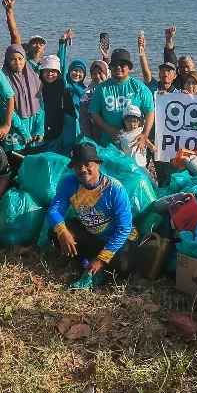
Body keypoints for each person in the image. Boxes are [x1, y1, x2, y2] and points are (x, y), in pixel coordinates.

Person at [47, 142, 139, 279]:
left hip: (118, 239)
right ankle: (87, 262)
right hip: (93, 235)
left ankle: (96, 262)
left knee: (123, 266)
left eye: (88, 164)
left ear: (98, 164)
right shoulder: (69, 183)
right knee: (55, 233)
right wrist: (62, 231)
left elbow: (124, 229)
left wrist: (102, 259)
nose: (83, 169)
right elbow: (54, 210)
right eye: (78, 166)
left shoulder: (114, 189)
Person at [89, 48, 155, 148]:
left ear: (129, 67)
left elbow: (150, 111)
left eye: (122, 65)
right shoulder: (101, 88)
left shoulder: (140, 87)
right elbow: (94, 113)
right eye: (115, 65)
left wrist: (144, 134)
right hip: (109, 142)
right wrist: (108, 129)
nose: (118, 67)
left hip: (134, 143)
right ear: (110, 68)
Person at [0, 45, 44, 154]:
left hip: (33, 131)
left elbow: (40, 105)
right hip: (15, 133)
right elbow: (7, 109)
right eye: (13, 60)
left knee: (33, 166)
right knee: (16, 165)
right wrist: (24, 132)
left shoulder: (33, 77)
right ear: (7, 61)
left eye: (20, 59)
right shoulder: (3, 79)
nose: (18, 63)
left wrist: (40, 130)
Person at [39, 54, 79, 154]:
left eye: (53, 71)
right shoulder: (37, 88)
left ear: (58, 73)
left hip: (58, 135)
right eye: (46, 70)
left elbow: (70, 119)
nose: (49, 74)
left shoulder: (63, 91)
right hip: (39, 134)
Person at [2, 0, 47, 70]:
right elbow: (14, 34)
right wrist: (9, 11)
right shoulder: (21, 61)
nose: (38, 46)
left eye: (41, 44)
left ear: (44, 50)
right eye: (34, 43)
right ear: (28, 47)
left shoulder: (45, 68)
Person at [80, 60, 109, 144]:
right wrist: (88, 140)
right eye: (94, 73)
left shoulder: (113, 90)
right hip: (95, 133)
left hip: (113, 134)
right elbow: (84, 120)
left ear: (106, 74)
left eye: (100, 73)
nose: (97, 76)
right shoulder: (87, 94)